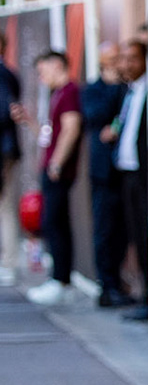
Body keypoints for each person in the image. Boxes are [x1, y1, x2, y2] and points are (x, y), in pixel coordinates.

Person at [19, 52, 83, 307]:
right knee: (54, 222)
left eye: (43, 70)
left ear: (57, 65)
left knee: (54, 223)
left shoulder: (69, 92)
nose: (41, 77)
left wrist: (57, 162)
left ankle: (61, 280)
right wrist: (29, 122)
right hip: (52, 168)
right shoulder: (57, 94)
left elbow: (71, 128)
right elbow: (49, 136)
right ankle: (59, 279)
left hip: (57, 171)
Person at [103, 40, 148, 321]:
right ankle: (144, 295)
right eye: (122, 58)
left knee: (146, 237)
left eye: (133, 58)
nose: (126, 64)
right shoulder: (127, 92)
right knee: (134, 236)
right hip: (125, 173)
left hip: (145, 175)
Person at [81, 44, 131, 308]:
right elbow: (94, 115)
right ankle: (107, 285)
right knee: (105, 229)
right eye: (112, 59)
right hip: (103, 172)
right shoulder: (95, 90)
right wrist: (112, 88)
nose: (118, 63)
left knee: (123, 230)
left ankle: (118, 282)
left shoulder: (127, 88)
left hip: (125, 170)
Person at [0, 36, 22, 288]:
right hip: (6, 149)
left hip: (3, 151)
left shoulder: (2, 73)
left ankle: (9, 262)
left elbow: (6, 110)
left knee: (5, 207)